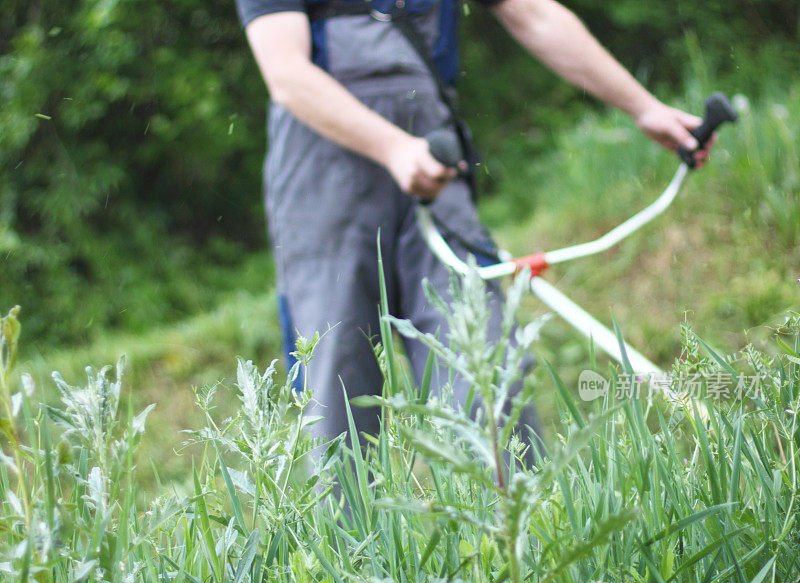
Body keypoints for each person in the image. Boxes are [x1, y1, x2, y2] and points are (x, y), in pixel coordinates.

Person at [234, 0, 711, 451]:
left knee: (484, 366)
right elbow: (287, 74)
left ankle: (521, 528)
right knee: (333, 387)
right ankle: (344, 539)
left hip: (437, 173)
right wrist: (394, 148)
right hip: (322, 183)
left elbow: (532, 12)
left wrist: (642, 106)